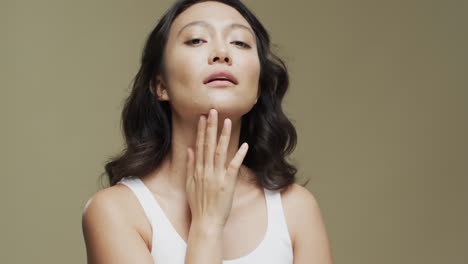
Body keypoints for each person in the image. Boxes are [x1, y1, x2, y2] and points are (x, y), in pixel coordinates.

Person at [81, 0, 333, 263]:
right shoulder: (117, 212)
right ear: (160, 85)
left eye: (240, 43)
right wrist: (207, 226)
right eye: (196, 40)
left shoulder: (296, 209)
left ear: (257, 89)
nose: (222, 52)